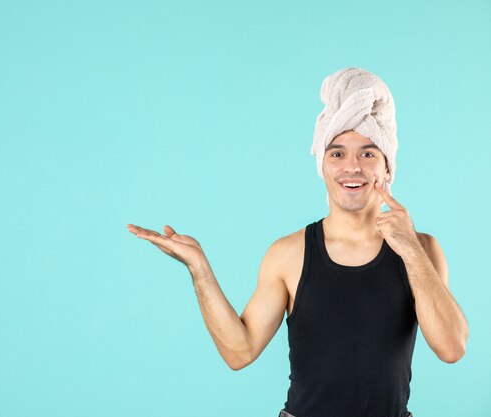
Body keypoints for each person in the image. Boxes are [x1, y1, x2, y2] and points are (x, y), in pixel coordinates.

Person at [126, 67, 469, 417]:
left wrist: (409, 249)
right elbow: (239, 352)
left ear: (387, 168)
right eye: (337, 153)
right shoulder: (289, 254)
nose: (352, 166)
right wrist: (199, 269)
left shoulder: (422, 250)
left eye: (367, 154)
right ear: (322, 165)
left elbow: (452, 348)